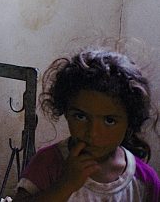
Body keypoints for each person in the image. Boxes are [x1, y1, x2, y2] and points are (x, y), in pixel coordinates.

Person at [15, 48, 160, 201]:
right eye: (81, 116)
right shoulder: (48, 163)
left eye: (109, 120)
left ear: (130, 122)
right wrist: (65, 185)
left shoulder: (144, 181)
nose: (93, 132)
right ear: (65, 111)